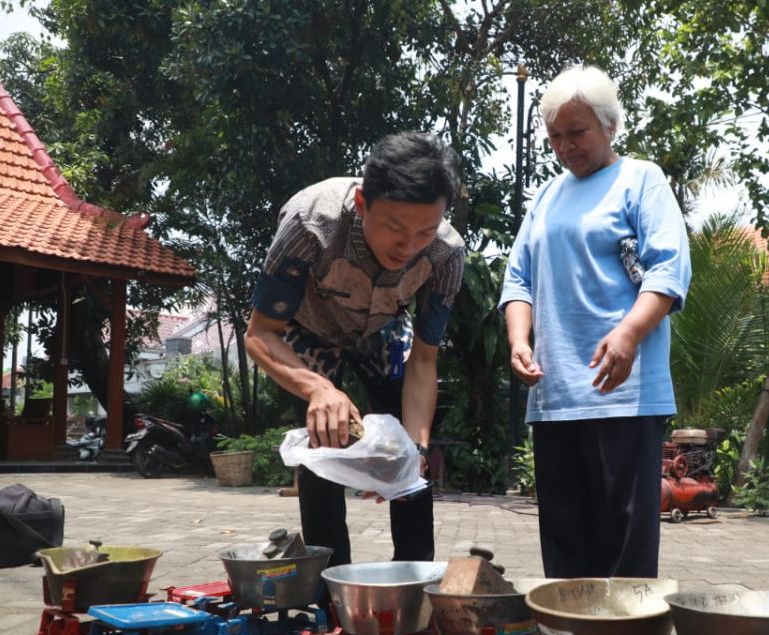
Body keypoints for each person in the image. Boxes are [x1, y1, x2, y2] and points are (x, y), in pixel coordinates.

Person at [499, 66, 691, 579]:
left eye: (576, 132)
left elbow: (669, 271)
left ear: (610, 125)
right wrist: (520, 339)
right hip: (556, 394)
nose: (565, 146)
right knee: (565, 540)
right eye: (555, 136)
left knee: (624, 540)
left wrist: (628, 333)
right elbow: (518, 279)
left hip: (623, 393)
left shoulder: (640, 180)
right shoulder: (545, 198)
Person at [246, 132, 464, 568]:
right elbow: (260, 334)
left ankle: (416, 582)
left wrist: (416, 451)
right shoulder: (310, 222)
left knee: (409, 468)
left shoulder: (446, 253)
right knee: (322, 453)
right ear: (363, 203)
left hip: (384, 332)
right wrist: (317, 389)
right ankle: (331, 589)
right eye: (395, 229)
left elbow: (423, 359)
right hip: (310, 333)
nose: (408, 248)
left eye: (425, 231)